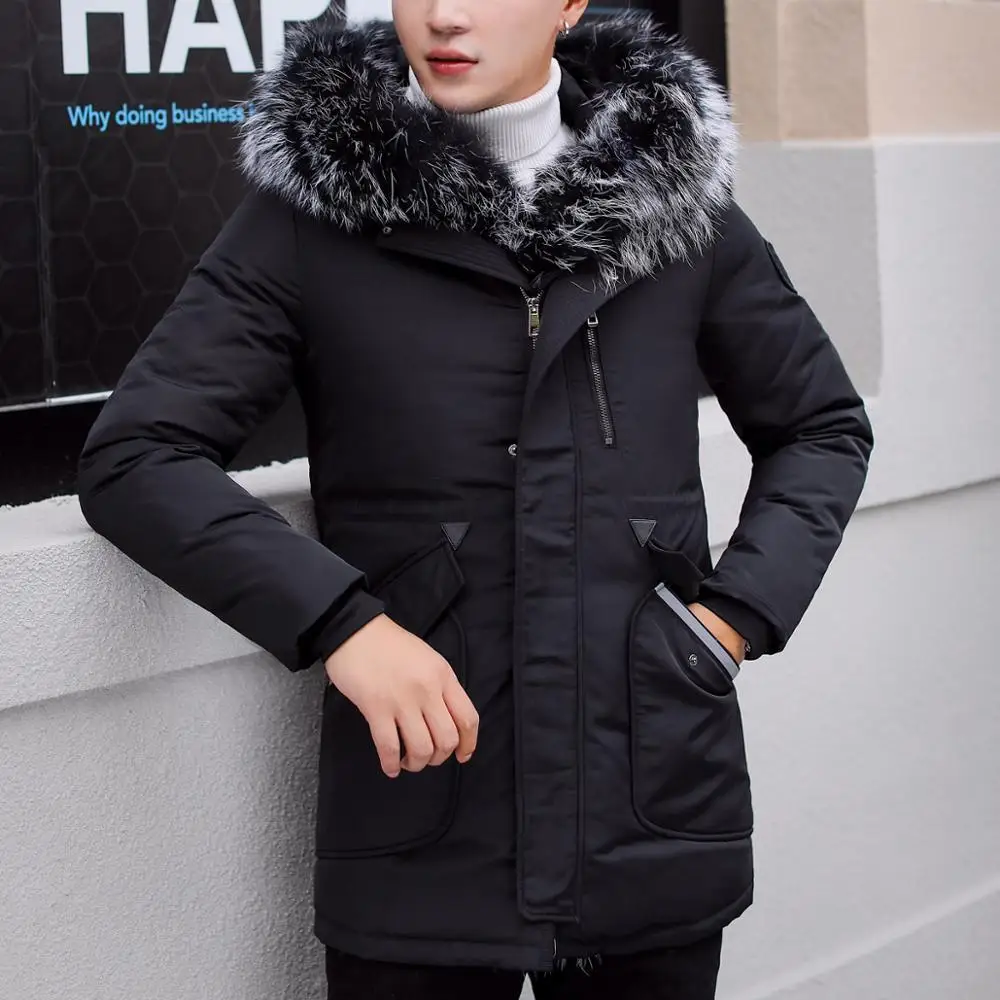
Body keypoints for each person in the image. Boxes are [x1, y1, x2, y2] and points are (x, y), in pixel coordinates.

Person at [76, 2, 874, 997]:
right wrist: (341, 623)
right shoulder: (314, 214)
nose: (446, 15)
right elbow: (139, 455)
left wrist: (732, 618)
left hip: (650, 798)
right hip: (420, 819)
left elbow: (820, 426)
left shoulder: (675, 203)